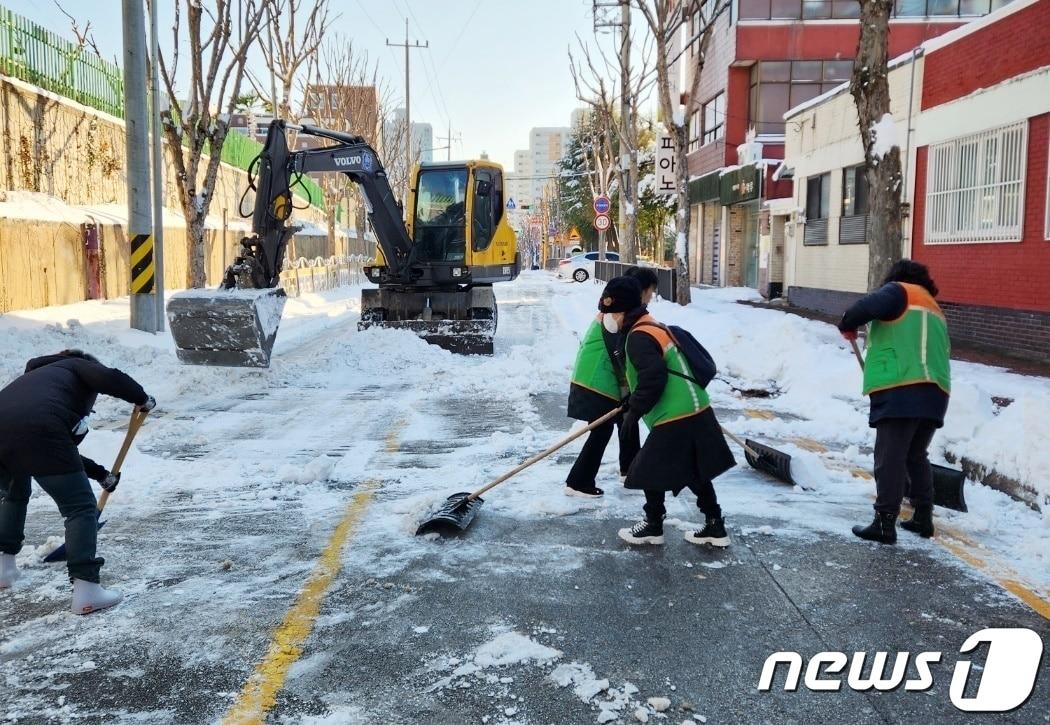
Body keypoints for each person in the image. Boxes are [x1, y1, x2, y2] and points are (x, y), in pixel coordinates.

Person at [0, 350, 156, 614]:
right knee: (80, 508)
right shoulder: (75, 365)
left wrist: (100, 474)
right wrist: (142, 398)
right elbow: (109, 377)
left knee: (13, 495)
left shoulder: (37, 380)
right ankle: (87, 590)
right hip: (41, 430)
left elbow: (56, 453)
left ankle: (3, 569)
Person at [598, 277, 736, 547]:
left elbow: (654, 377)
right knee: (695, 470)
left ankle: (652, 524)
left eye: (611, 312)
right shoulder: (651, 327)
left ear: (623, 310)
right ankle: (714, 525)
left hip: (676, 414)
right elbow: (651, 377)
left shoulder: (638, 336)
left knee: (647, 468)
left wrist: (635, 411)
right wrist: (632, 402)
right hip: (695, 406)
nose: (607, 318)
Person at [839, 260, 951, 545]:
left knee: (890, 456)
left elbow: (862, 309)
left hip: (902, 386)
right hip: (935, 391)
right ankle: (923, 517)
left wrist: (847, 322)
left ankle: (884, 522)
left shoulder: (899, 292)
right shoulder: (933, 307)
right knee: (915, 454)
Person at [564, 278, 642, 497]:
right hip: (595, 384)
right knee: (601, 431)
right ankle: (578, 482)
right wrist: (630, 391)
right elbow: (619, 359)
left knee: (626, 422)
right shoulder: (611, 322)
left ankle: (631, 471)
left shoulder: (611, 316)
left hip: (596, 381)